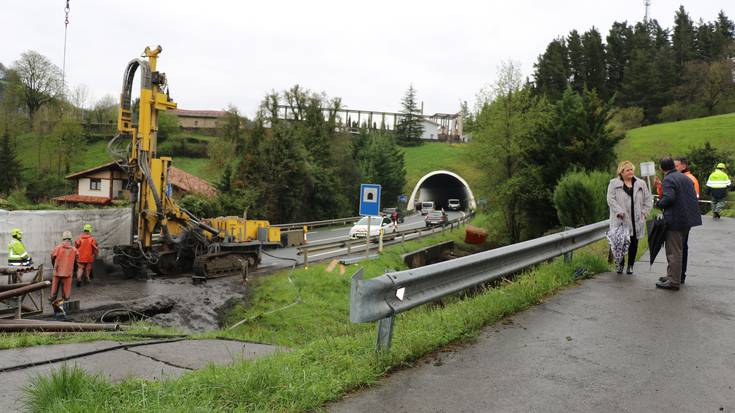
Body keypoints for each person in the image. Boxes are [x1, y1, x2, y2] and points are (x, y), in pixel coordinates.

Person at [655, 157, 702, 291]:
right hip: (687, 220)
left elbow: (669, 198)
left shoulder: (669, 179)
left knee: (673, 251)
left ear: (662, 169)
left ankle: (673, 281)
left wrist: (658, 203)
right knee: (679, 249)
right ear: (673, 166)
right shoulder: (685, 178)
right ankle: (672, 275)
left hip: (675, 220)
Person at [607, 161, 653, 274]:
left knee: (633, 243)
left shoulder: (641, 183)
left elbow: (648, 199)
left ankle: (630, 265)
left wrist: (644, 212)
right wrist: (619, 211)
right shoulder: (613, 183)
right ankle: (620, 264)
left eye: (632, 169)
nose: (631, 172)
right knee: (620, 243)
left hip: (636, 219)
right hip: (621, 219)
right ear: (621, 172)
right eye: (628, 170)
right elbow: (610, 199)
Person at [50, 231, 77, 306]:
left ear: (63, 238)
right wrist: (74, 269)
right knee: (66, 288)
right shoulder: (74, 249)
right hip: (68, 272)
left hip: (57, 271)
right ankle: (66, 300)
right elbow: (76, 260)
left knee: (54, 287)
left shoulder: (58, 248)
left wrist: (54, 266)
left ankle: (52, 299)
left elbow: (52, 257)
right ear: (70, 238)